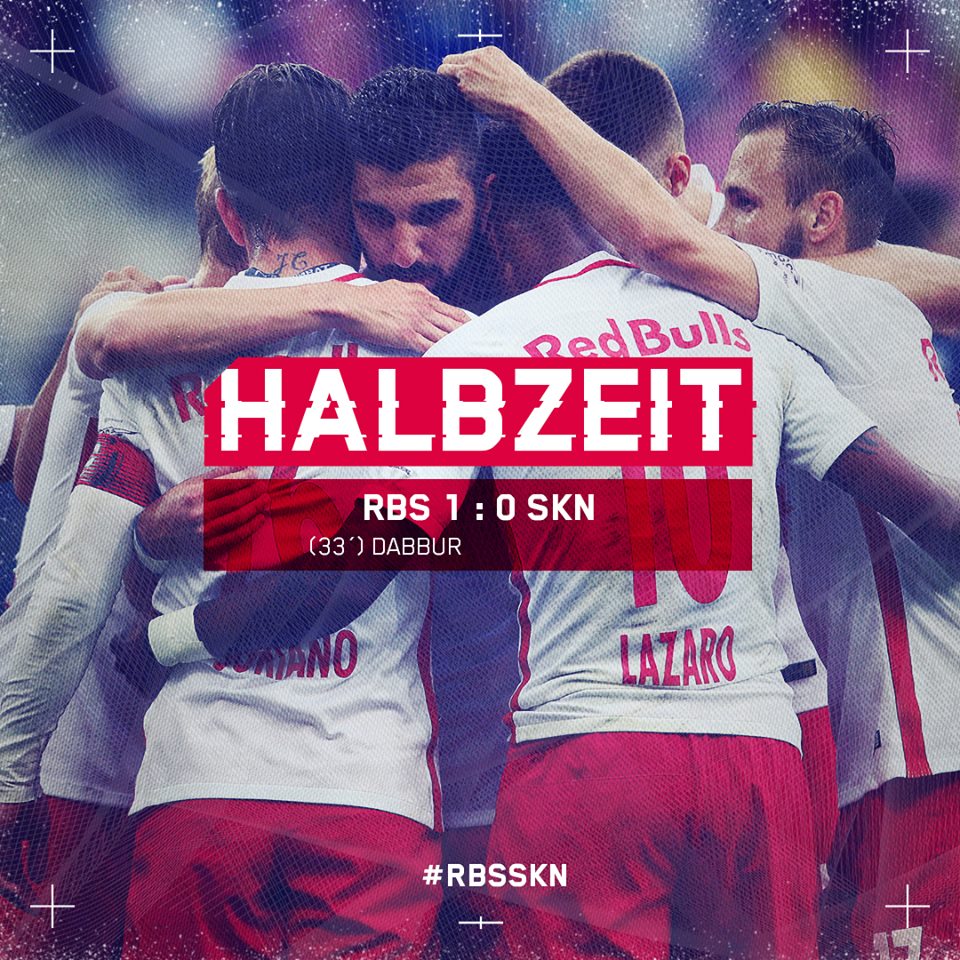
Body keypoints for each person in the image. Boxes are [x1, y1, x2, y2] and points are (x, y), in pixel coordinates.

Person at [142, 114, 960, 960]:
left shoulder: (489, 345)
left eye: (437, 215)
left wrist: (173, 627)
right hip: (755, 749)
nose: (409, 250)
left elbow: (365, 554)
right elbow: (930, 510)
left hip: (583, 754)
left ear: (494, 209)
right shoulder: (751, 332)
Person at [438, 45, 960, 957]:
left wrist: (521, 96)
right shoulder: (769, 337)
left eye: (745, 203)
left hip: (909, 745)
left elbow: (663, 234)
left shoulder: (824, 311)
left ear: (822, 218)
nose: (723, 222)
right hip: (782, 748)